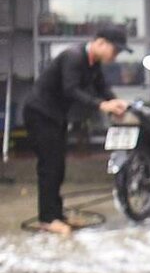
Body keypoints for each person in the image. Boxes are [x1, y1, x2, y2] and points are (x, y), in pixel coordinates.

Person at [24, 25, 130, 234]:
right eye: (115, 50)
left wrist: (115, 101)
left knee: (58, 167)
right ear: (100, 43)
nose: (115, 56)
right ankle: (47, 219)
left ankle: (56, 213)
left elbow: (101, 87)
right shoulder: (73, 57)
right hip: (40, 113)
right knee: (49, 166)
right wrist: (101, 105)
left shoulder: (93, 63)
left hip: (56, 116)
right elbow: (71, 89)